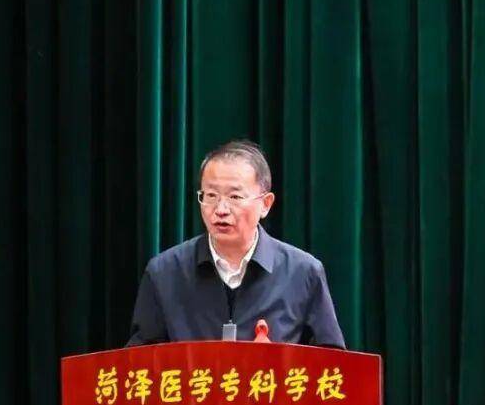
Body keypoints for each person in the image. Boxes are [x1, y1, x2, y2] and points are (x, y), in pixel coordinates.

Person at [127, 139, 345, 348]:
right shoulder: (164, 272)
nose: (220, 209)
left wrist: (281, 360)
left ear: (266, 204)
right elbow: (140, 363)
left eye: (235, 197)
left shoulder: (303, 272)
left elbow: (333, 365)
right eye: (210, 195)